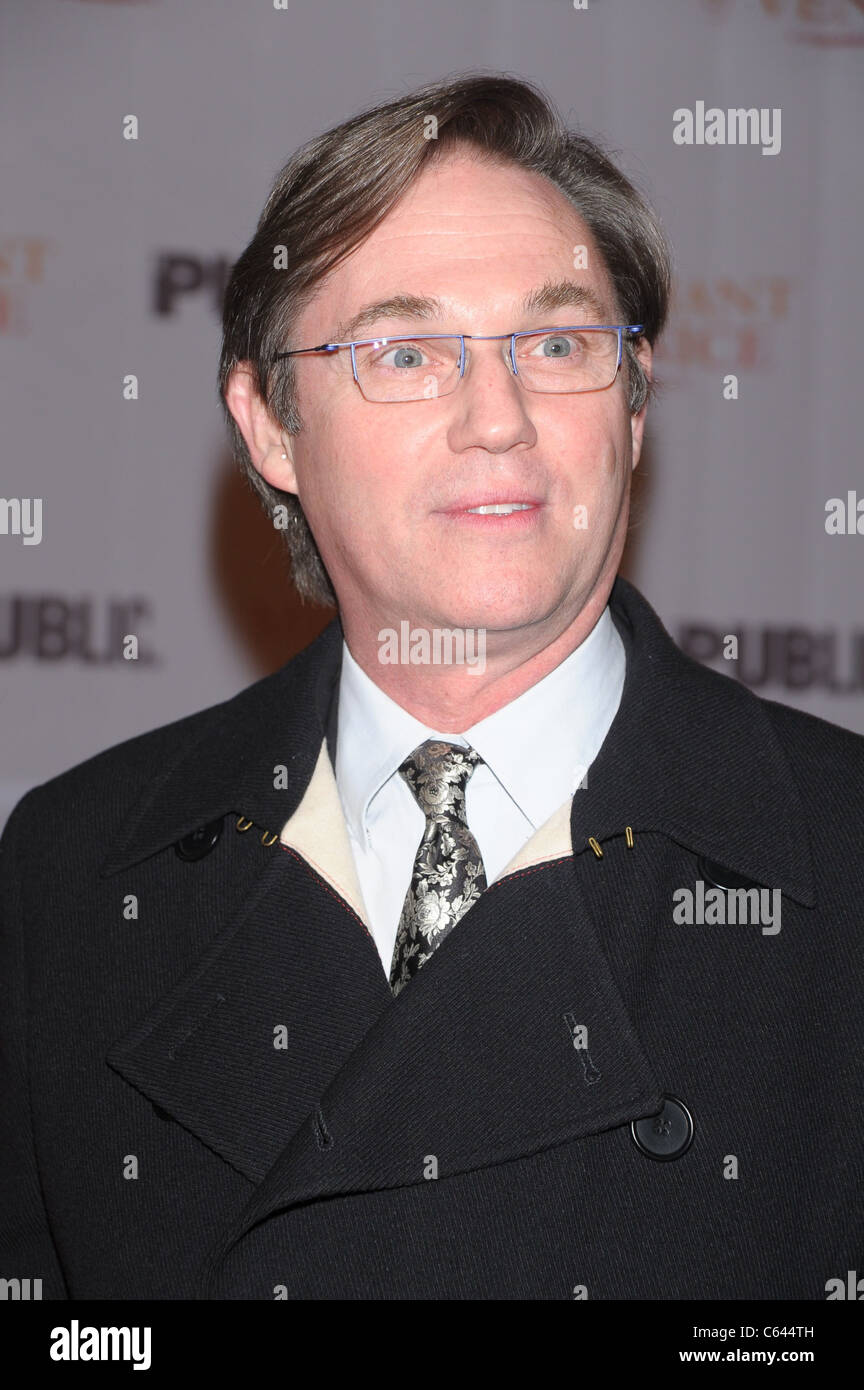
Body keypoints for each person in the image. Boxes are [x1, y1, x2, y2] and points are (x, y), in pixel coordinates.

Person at [1, 72, 861, 1302]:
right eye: (408, 352)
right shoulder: (76, 871)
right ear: (270, 424)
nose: (498, 417)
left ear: (633, 400)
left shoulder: (839, 860)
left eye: (557, 343)